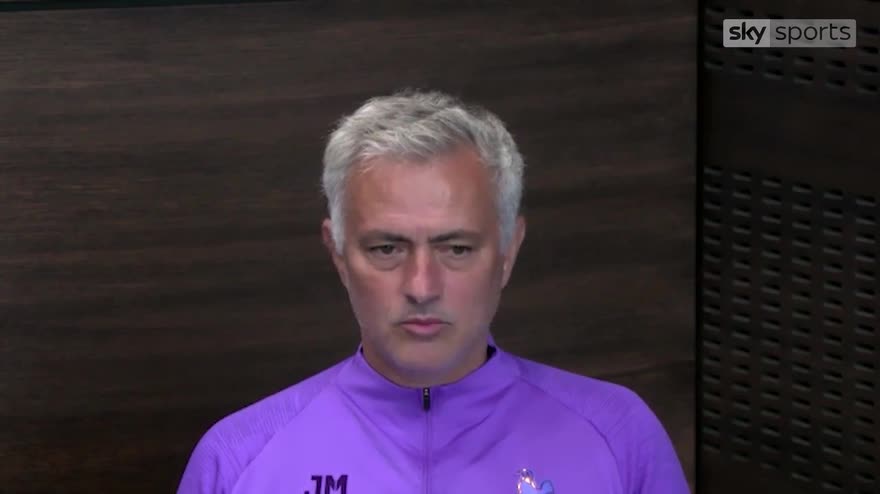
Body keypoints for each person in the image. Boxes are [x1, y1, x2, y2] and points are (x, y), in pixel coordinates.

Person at [177, 90, 689, 494]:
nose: (421, 287)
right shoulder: (237, 461)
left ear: (508, 251)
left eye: (457, 249)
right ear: (338, 254)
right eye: (386, 249)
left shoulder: (619, 437)